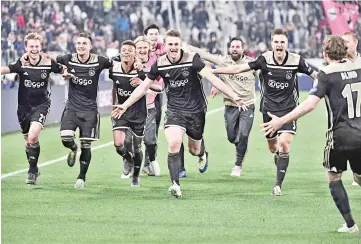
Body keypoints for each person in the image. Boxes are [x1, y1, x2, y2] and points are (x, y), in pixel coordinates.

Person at [112, 29, 244, 198]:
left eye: (176, 44)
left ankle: (202, 153)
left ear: (180, 45)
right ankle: (175, 184)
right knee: (174, 143)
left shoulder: (192, 60)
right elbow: (143, 87)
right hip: (175, 111)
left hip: (196, 111)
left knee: (194, 150)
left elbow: (212, 78)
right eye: (170, 44)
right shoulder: (159, 63)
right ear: (164, 46)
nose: (173, 48)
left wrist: (233, 95)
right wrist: (125, 105)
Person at [261, 35, 360, 234]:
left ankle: (350, 225)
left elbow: (310, 104)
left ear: (325, 54)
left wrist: (282, 120)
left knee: (334, 178)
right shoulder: (358, 69)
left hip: (339, 137)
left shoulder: (326, 73)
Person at [213, 29, 317, 196]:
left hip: (289, 110)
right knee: (273, 147)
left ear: (287, 44)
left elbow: (315, 75)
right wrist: (214, 72)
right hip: (269, 110)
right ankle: (278, 155)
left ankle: (278, 185)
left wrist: (324, 87)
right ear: (271, 43)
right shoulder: (264, 60)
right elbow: (239, 69)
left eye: (282, 42)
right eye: (276, 42)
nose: (279, 45)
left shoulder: (296, 60)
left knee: (284, 144)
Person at [39, 32, 113, 189]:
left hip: (90, 111)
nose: (81, 46)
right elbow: (49, 58)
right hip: (72, 107)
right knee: (66, 138)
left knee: (86, 145)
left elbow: (117, 63)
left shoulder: (99, 61)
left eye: (84, 43)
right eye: (78, 43)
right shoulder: (68, 59)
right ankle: (73, 148)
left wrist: (136, 64)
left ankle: (81, 177)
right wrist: (34, 53)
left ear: (90, 46)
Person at [184, 37, 258, 176]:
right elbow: (205, 55)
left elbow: (264, 75)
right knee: (232, 137)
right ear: (229, 49)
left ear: (243, 49)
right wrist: (186, 46)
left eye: (237, 47)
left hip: (247, 105)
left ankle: (238, 165)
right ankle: (241, 146)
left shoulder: (251, 63)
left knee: (243, 134)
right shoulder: (223, 61)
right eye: (232, 47)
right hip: (230, 105)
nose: (235, 49)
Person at [0, 32, 64, 185]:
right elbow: (6, 69)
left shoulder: (48, 63)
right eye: (31, 46)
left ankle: (32, 170)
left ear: (40, 47)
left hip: (41, 105)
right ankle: (33, 167)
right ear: (26, 47)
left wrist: (67, 73)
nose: (34, 49)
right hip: (23, 108)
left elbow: (62, 70)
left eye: (37, 46)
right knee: (28, 141)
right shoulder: (21, 63)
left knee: (33, 135)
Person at [109, 40, 162, 187]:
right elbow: (114, 87)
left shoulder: (142, 71)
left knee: (138, 146)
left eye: (129, 51)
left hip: (139, 113)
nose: (126, 52)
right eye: (123, 50)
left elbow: (159, 88)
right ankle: (127, 158)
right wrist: (113, 104)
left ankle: (136, 176)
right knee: (119, 143)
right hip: (121, 110)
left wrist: (142, 83)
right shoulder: (114, 68)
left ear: (135, 54)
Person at [342, 32, 360, 187]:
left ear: (355, 43)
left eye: (347, 41)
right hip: (348, 111)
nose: (344, 44)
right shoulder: (341, 64)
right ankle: (356, 176)